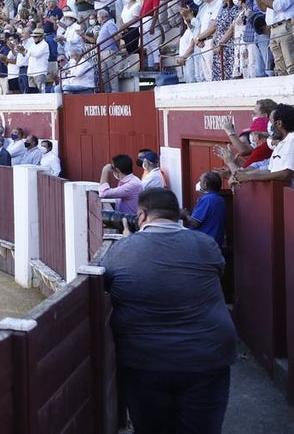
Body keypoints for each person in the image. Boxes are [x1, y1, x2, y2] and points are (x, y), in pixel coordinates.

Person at [101, 189, 236, 433]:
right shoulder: (205, 244)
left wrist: (129, 240)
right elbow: (216, 271)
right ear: (178, 216)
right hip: (207, 355)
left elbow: (106, 282)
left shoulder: (121, 250)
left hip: (146, 358)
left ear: (141, 216)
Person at [184, 171, 227, 246]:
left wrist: (185, 215)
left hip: (202, 242)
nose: (199, 183)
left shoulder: (207, 199)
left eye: (200, 181)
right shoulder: (219, 199)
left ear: (205, 185)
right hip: (214, 241)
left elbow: (195, 223)